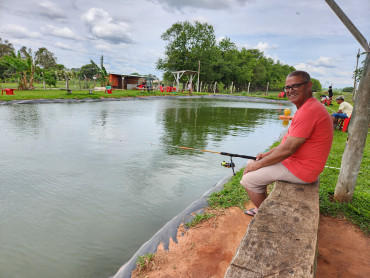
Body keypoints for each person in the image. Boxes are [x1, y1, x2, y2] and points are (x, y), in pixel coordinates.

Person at [240, 70, 333, 216]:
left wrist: (257, 165)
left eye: (295, 86)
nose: (290, 90)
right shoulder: (307, 107)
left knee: (249, 180)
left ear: (309, 85)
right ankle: (263, 207)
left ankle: (266, 215)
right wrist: (265, 155)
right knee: (252, 162)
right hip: (296, 162)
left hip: (303, 169)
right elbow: (286, 144)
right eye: (287, 87)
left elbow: (288, 149)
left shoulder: (308, 110)